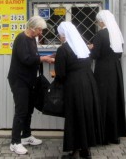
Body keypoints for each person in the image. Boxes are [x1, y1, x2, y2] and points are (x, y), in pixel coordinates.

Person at [7, 15, 55, 155]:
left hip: (29, 80)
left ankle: (26, 136)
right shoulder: (21, 39)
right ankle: (15, 142)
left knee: (29, 109)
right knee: (21, 110)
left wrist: (47, 57)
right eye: (40, 30)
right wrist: (43, 58)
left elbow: (33, 57)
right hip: (19, 81)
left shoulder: (32, 39)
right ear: (32, 28)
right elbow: (26, 59)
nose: (41, 33)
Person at [54, 21, 102, 159]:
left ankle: (74, 151)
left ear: (64, 35)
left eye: (60, 35)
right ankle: (86, 150)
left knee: (74, 117)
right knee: (86, 116)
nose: (59, 37)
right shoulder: (83, 47)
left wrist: (57, 85)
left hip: (74, 86)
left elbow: (61, 73)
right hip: (89, 83)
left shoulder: (63, 50)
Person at [88, 10, 126, 145]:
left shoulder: (100, 34)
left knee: (103, 101)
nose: (98, 23)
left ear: (102, 21)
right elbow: (118, 52)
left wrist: (91, 48)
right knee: (114, 100)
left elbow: (95, 55)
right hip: (115, 70)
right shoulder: (117, 33)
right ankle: (115, 135)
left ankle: (103, 136)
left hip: (103, 71)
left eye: (98, 21)